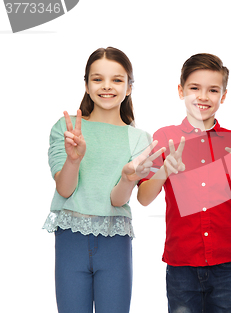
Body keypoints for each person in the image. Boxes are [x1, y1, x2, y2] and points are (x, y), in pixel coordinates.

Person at [137, 53, 231, 313]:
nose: (203, 96)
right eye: (195, 88)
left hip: (228, 264)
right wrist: (164, 173)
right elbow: (144, 198)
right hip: (182, 264)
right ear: (181, 90)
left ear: (223, 96)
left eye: (213, 90)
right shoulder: (165, 137)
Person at [43, 47, 163, 313]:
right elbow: (64, 189)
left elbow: (117, 200)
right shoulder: (67, 128)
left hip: (115, 242)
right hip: (70, 239)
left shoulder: (139, 138)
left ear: (129, 87)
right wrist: (74, 159)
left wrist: (128, 178)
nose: (106, 87)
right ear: (86, 84)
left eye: (117, 80)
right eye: (98, 79)